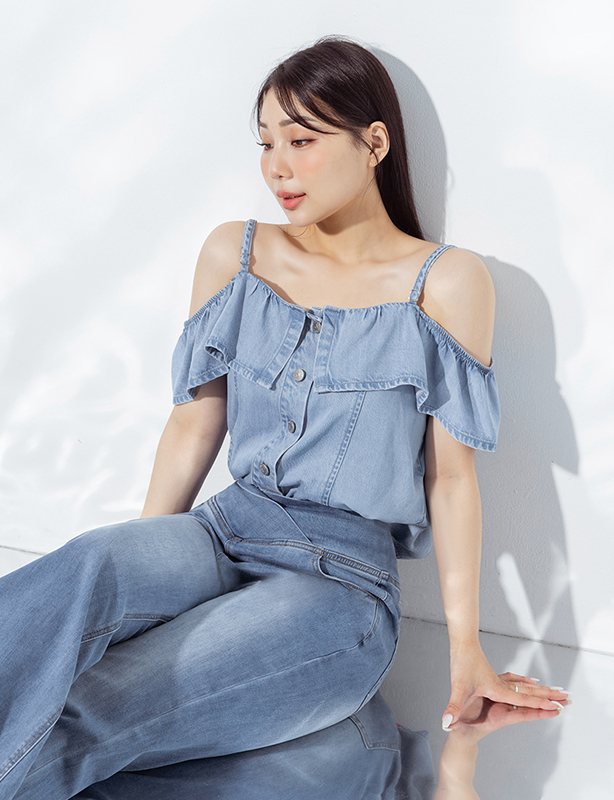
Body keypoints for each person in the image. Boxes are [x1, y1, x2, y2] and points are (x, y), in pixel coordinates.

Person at [0, 35, 567, 799]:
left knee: (92, 710)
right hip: (221, 530)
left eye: (301, 141)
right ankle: (345, 752)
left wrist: (466, 654)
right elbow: (194, 423)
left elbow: (451, 477)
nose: (277, 166)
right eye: (266, 143)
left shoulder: (445, 283)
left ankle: (353, 751)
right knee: (89, 565)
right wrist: (144, 568)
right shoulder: (235, 254)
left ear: (374, 142)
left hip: (337, 586)